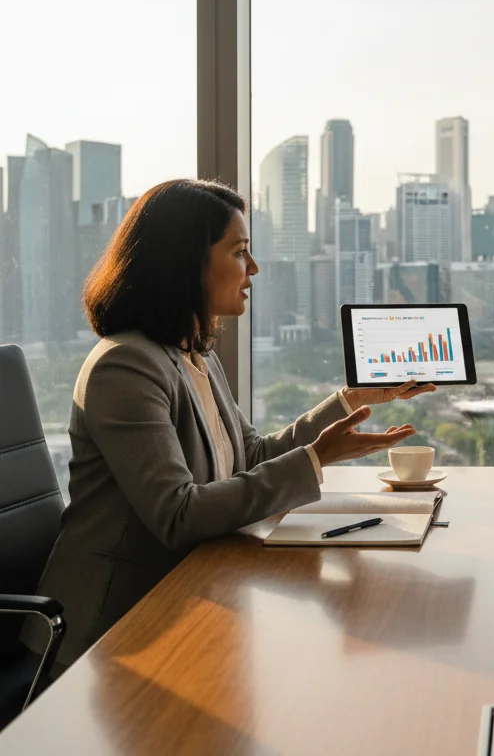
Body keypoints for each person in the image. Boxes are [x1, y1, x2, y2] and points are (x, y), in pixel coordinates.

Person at [25, 179, 431, 669]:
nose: (253, 268)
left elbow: (249, 455)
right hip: (115, 629)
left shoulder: (192, 354)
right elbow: (178, 515)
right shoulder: (125, 367)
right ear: (186, 263)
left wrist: (347, 402)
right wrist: (316, 458)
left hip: (192, 590)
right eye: (240, 252)